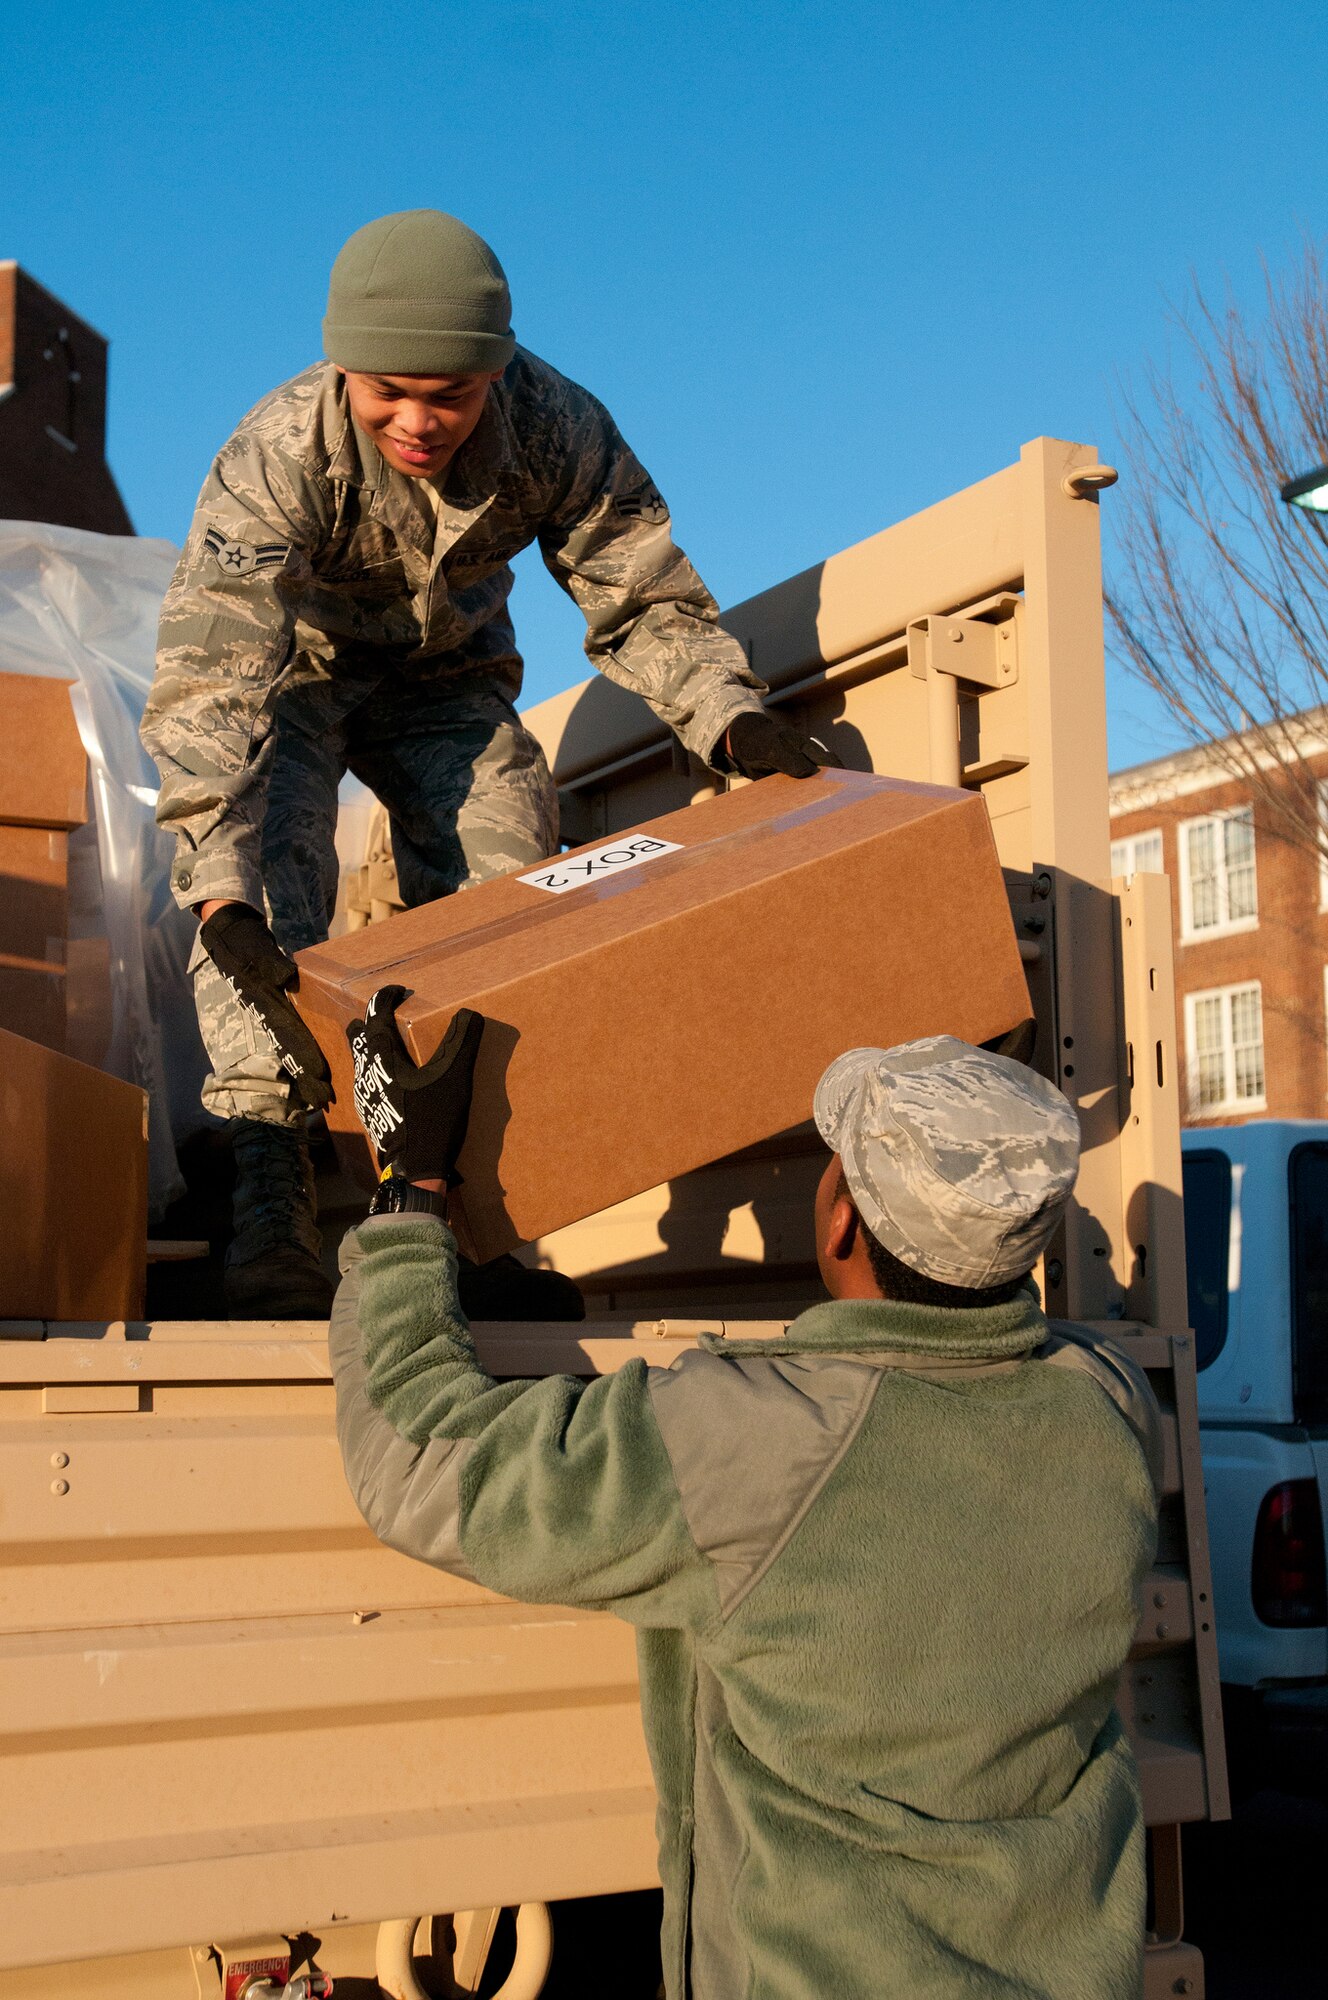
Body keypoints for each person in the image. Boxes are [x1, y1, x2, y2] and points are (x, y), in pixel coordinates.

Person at [330, 1004, 1161, 1999]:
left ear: (841, 1215)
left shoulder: (765, 1442)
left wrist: (408, 1189)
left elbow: (419, 1461)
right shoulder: (1106, 1406)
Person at [141, 207, 830, 1317]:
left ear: (494, 376)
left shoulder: (556, 426)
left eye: (448, 396)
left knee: (510, 890)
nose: (416, 421)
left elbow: (640, 591)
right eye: (386, 392)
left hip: (444, 684)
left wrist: (728, 720)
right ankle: (267, 1192)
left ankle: (483, 1220)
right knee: (263, 885)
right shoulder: (274, 455)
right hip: (295, 681)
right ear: (343, 367)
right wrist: (219, 891)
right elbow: (215, 683)